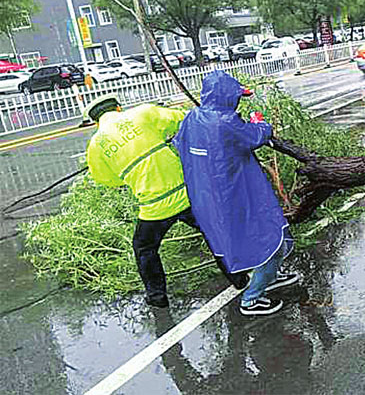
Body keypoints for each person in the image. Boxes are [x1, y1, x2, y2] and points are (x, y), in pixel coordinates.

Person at [84, 94, 248, 308]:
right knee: (215, 233)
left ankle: (157, 297)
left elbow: (106, 179)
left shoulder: (96, 144)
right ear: (118, 107)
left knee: (144, 248)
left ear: (95, 121)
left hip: (154, 207)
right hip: (188, 196)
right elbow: (183, 119)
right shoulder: (143, 113)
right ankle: (238, 278)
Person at [174, 71, 298, 317]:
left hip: (207, 197)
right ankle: (252, 299)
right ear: (227, 96)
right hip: (238, 196)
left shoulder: (191, 118)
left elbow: (180, 144)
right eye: (237, 96)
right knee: (266, 239)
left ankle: (270, 277)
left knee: (251, 238)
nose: (238, 100)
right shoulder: (225, 122)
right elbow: (258, 136)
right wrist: (260, 122)